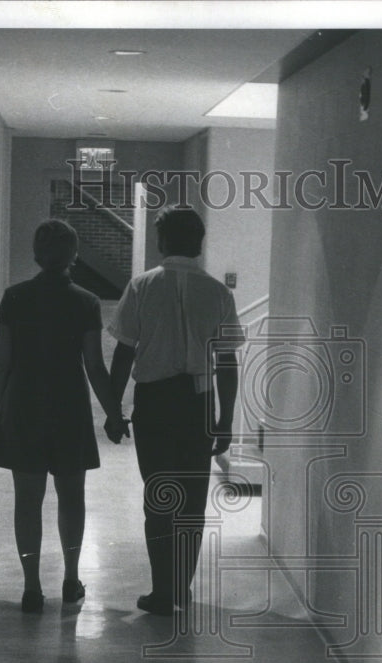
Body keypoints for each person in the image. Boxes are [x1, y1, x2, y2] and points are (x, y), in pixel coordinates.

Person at [108, 205, 244, 615]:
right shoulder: (219, 292)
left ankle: (162, 591)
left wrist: (113, 409)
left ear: (163, 242)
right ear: (199, 244)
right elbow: (226, 363)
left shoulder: (142, 286)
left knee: (159, 498)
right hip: (199, 404)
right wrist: (225, 421)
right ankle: (180, 587)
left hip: (154, 404)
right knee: (192, 502)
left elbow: (124, 353)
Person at [0, 219, 129, 612]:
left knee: (27, 501)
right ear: (74, 256)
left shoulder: (14, 297)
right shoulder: (85, 301)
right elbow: (95, 367)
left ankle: (32, 587)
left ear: (36, 254)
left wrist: (1, 408)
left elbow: (2, 363)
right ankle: (70, 578)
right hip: (68, 407)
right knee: (71, 498)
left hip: (23, 405)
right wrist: (115, 414)